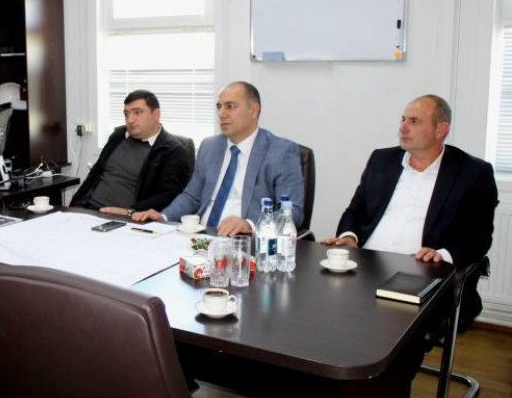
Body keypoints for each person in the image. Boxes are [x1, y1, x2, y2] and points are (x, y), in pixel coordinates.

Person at [321, 94, 499, 328]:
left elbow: (479, 237)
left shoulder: (473, 173)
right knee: (317, 302)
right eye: (403, 119)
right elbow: (355, 211)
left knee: (388, 327)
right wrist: (349, 237)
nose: (403, 128)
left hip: (421, 273)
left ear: (440, 129)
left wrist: (442, 255)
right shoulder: (382, 159)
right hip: (366, 266)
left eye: (414, 121)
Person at [133, 81, 304, 236]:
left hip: (242, 241)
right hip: (200, 237)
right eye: (219, 107)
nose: (222, 114)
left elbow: (292, 212)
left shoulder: (281, 151)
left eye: (230, 106)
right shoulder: (209, 146)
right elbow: (191, 197)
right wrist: (163, 216)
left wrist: (250, 225)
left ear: (253, 110)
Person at [70, 90, 192, 216]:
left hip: (126, 217)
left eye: (137, 112)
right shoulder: (118, 136)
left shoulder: (172, 150)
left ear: (156, 114)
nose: (130, 120)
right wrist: (73, 206)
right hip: (88, 209)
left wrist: (130, 212)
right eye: (126, 114)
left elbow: (169, 195)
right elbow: (94, 174)